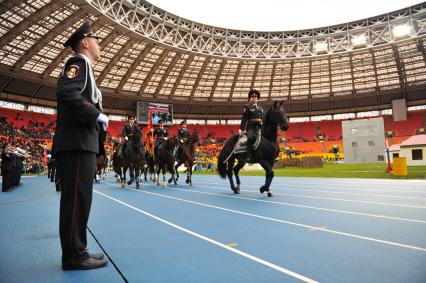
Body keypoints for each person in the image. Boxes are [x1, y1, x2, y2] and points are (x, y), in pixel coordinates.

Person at [52, 21, 108, 271]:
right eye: (96, 39)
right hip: (76, 143)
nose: (100, 44)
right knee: (75, 201)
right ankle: (73, 256)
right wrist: (93, 114)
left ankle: (79, 249)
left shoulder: (86, 66)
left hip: (82, 143)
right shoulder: (78, 62)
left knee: (81, 199)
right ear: (85, 42)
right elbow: (67, 91)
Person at [239, 89, 264, 162]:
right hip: (251, 128)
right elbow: (244, 119)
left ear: (257, 98)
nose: (254, 98)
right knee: (250, 138)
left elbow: (263, 119)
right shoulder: (247, 107)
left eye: (255, 97)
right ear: (249, 99)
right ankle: (248, 155)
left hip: (260, 128)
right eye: (252, 97)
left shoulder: (260, 109)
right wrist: (241, 129)